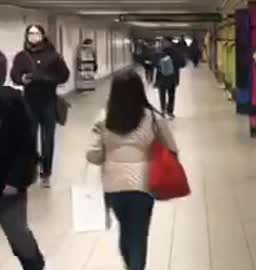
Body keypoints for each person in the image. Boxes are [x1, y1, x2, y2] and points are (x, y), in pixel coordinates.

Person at [86, 70, 178, 270]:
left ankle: (130, 265)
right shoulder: (153, 118)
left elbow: (93, 155)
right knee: (138, 234)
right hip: (143, 185)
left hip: (113, 186)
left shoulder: (104, 118)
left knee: (126, 230)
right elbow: (172, 149)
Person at [0, 50, 45, 270]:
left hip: (8, 185)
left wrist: (15, 181)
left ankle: (34, 265)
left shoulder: (12, 102)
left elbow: (26, 146)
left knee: (17, 232)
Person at [11, 24, 70, 188]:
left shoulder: (53, 56)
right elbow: (14, 74)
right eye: (30, 33)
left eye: (36, 33)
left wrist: (44, 78)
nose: (33, 36)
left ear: (43, 35)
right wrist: (22, 79)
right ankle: (28, 171)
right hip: (29, 102)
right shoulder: (21, 56)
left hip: (48, 102)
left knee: (48, 138)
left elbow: (64, 75)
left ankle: (46, 172)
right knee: (29, 138)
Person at [156, 37, 186, 119]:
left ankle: (163, 110)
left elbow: (156, 65)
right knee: (171, 95)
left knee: (162, 94)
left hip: (162, 78)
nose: (162, 44)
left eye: (163, 42)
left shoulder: (160, 53)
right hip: (173, 77)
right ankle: (170, 111)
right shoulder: (177, 52)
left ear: (168, 42)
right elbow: (183, 64)